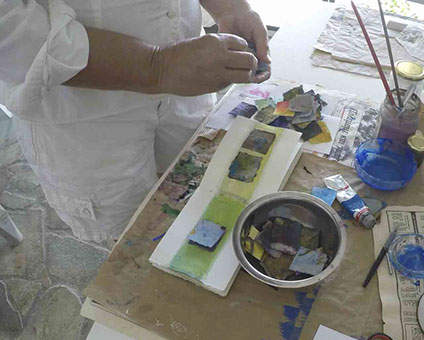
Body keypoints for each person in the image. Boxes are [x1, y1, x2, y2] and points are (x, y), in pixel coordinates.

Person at [0, 0, 270, 242]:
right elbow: (9, 29)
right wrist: (157, 65)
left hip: (189, 75)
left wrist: (229, 7)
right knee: (136, 236)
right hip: (86, 117)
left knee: (203, 192)